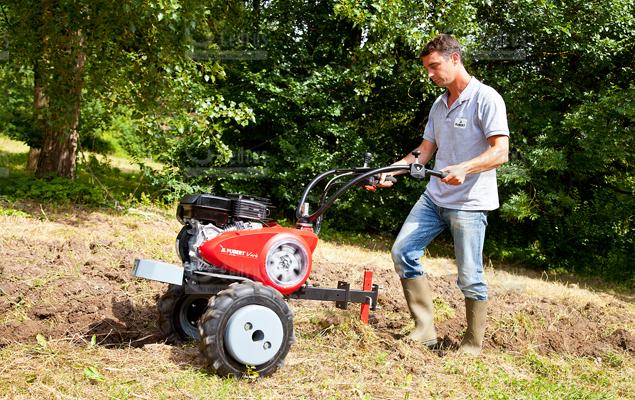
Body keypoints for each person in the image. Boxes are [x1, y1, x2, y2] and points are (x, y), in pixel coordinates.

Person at [379, 34, 509, 355]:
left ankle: (472, 344)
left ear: (454, 59)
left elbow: (501, 152)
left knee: (469, 276)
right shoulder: (439, 105)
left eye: (434, 66)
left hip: (469, 204)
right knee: (403, 251)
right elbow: (422, 153)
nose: (430, 74)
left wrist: (465, 167)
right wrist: (390, 171)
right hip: (434, 198)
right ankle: (424, 330)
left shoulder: (486, 98)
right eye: (427, 68)